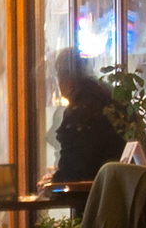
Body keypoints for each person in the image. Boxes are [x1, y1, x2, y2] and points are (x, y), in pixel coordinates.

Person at [48, 50, 125, 185]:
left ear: (68, 80)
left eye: (59, 77)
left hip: (99, 196)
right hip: (119, 190)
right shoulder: (106, 97)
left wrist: (55, 180)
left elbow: (76, 170)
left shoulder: (80, 112)